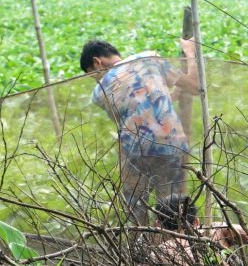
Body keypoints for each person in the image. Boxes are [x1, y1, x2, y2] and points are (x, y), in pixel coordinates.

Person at [83, 37, 201, 225]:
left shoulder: (98, 93)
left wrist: (169, 96)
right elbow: (195, 87)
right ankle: (175, 247)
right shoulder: (148, 59)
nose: (97, 80)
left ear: (97, 62)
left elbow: (132, 113)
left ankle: (140, 248)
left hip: (135, 152)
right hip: (171, 145)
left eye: (93, 75)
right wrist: (190, 52)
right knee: (173, 210)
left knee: (136, 211)